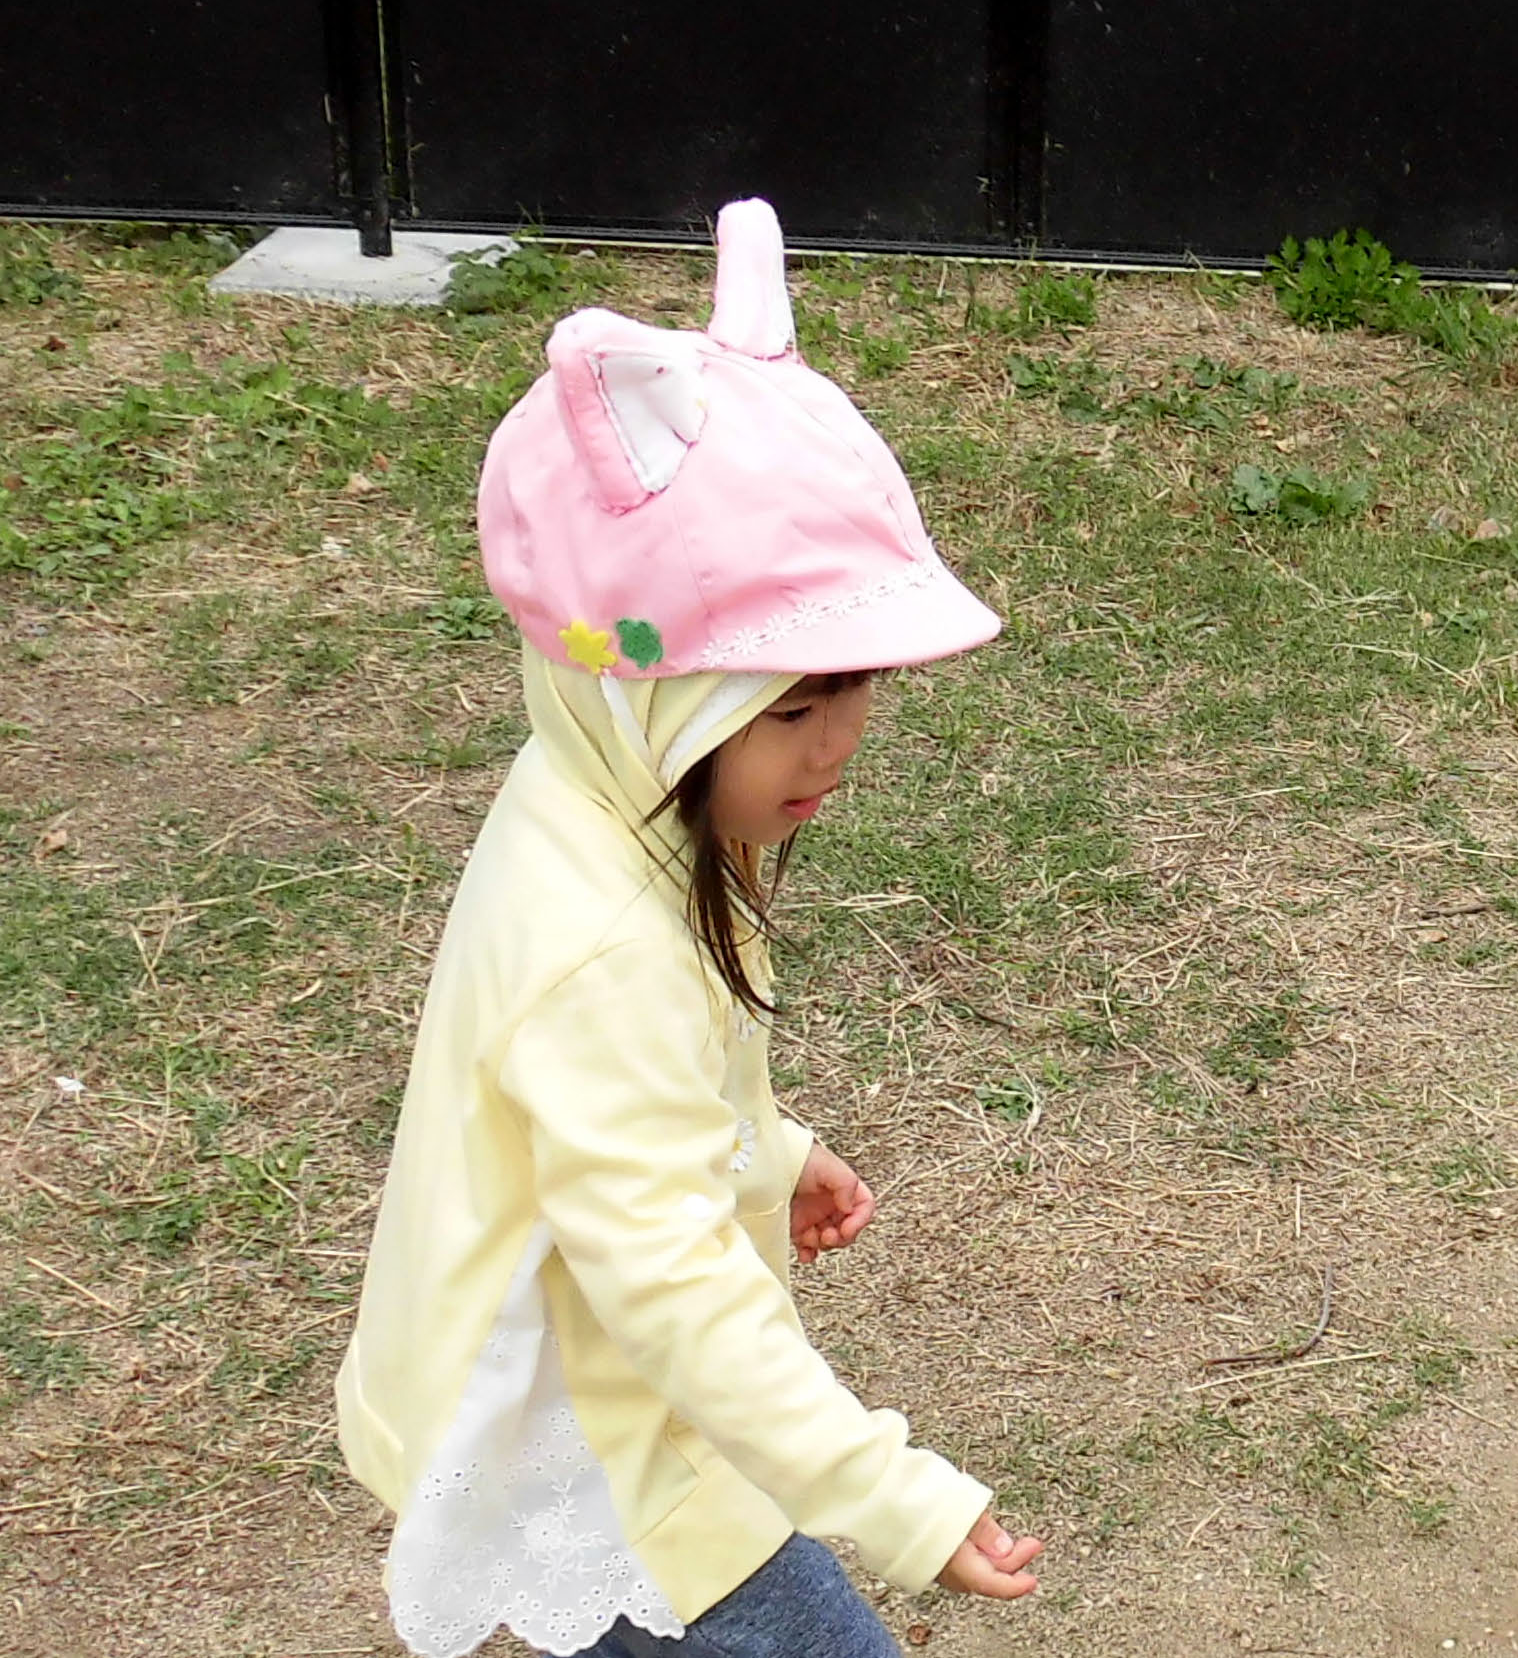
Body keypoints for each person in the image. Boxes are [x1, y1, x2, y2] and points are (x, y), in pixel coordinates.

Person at [335, 201, 1044, 1656]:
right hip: (594, 1442)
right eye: (790, 706)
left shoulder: (594, 791)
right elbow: (673, 1287)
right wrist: (893, 1494)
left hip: (602, 1382)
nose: (835, 745)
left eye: (856, 691)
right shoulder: (602, 934)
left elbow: (627, 1110)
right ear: (653, 694)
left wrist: (763, 1149)